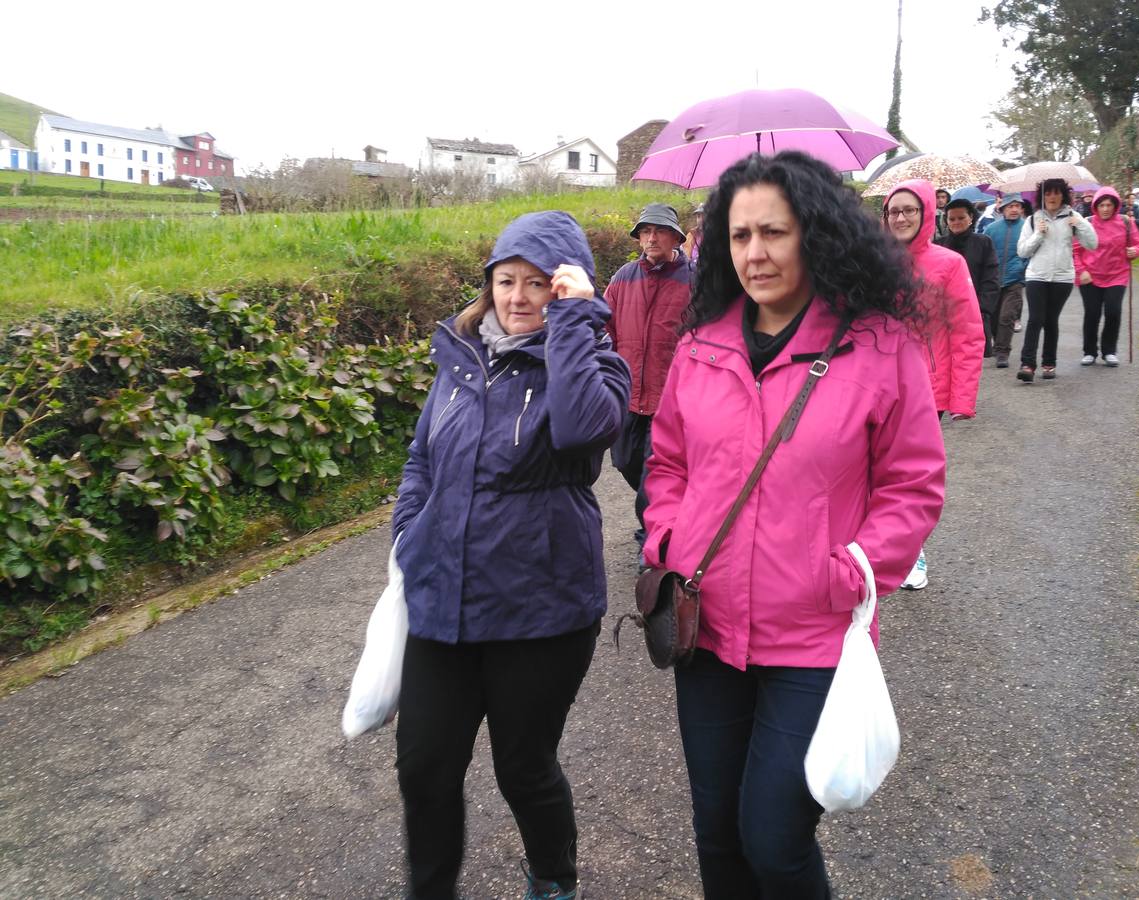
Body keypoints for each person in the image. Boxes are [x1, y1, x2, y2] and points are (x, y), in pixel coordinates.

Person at [642, 150, 946, 900]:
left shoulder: (877, 346)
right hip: (705, 625)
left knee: (773, 841)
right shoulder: (701, 344)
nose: (755, 253)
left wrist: (851, 569)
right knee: (716, 832)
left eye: (773, 232)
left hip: (815, 637)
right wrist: (668, 541)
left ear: (814, 234)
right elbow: (668, 463)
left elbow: (914, 485)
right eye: (740, 235)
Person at [390, 210, 631, 900]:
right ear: (488, 284)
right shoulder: (459, 359)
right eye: (505, 280)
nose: (518, 296)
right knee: (424, 766)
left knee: (523, 767)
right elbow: (422, 458)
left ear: (563, 291)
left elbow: (587, 429)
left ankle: (554, 879)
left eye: (537, 284)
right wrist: (411, 531)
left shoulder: (593, 364)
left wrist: (578, 321)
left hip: (541, 607)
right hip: (445, 597)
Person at [884, 178, 983, 590]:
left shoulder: (948, 264)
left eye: (909, 210)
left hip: (926, 387)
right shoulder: (874, 261)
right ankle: (878, 546)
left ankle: (912, 552)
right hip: (875, 384)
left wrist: (962, 396)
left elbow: (967, 331)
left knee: (912, 476)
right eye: (893, 211)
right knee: (873, 471)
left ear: (926, 213)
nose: (901, 217)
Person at [604, 203, 692, 558]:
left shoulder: (693, 279)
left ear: (675, 236)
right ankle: (663, 519)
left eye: (659, 231)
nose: (651, 238)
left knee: (653, 477)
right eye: (645, 232)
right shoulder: (624, 277)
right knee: (625, 461)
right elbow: (605, 326)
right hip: (628, 394)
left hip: (669, 398)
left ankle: (653, 540)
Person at [1016, 178, 1097, 382]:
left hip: (1062, 278)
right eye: (1047, 193)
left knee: (1051, 320)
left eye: (1056, 193)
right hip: (1037, 276)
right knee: (1035, 319)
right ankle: (1027, 364)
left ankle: (1049, 364)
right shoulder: (1033, 220)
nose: (1051, 197)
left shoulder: (1074, 216)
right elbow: (1022, 252)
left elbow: (1092, 243)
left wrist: (1080, 225)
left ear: (1063, 195)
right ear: (1042, 197)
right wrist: (1038, 234)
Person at [1074, 186, 1139, 366]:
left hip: (1117, 275)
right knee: (1092, 313)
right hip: (1090, 275)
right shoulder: (1087, 223)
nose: (1105, 209)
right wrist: (1081, 271)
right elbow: (1075, 250)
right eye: (1102, 205)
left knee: (1113, 312)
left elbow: (1138, 243)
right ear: (1095, 206)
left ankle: (1109, 351)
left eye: (1109, 205)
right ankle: (1089, 351)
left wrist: (1134, 251)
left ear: (1115, 206)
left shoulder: (1126, 221)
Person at [936, 198, 1001, 358]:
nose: (956, 222)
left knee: (971, 365)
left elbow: (991, 279)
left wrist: (980, 309)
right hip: (943, 317)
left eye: (961, 218)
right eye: (952, 219)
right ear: (946, 221)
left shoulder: (983, 242)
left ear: (971, 218)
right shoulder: (938, 245)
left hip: (975, 314)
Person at [984, 194, 1030, 368]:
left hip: (1015, 280)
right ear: (1002, 209)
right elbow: (984, 251)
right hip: (994, 279)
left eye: (1017, 206)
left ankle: (1003, 352)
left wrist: (1022, 266)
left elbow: (1032, 250)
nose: (1014, 209)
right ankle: (998, 345)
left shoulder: (1027, 227)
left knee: (1007, 316)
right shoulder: (991, 229)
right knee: (994, 317)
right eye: (1010, 206)